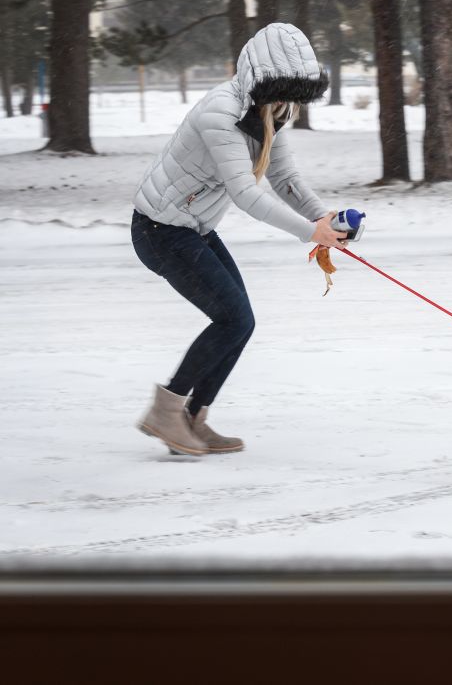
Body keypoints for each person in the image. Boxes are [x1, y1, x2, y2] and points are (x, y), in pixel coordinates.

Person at [131, 23, 348, 456]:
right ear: (258, 78)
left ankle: (191, 420)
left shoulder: (273, 110)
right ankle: (165, 412)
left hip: (193, 227)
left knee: (240, 322)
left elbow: (284, 178)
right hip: (160, 231)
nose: (287, 102)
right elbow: (246, 194)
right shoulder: (220, 113)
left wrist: (323, 217)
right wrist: (312, 232)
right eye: (281, 90)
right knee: (233, 319)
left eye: (295, 92)